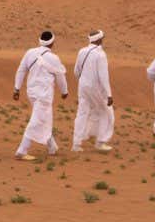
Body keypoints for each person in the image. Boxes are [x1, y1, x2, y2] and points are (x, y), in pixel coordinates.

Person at [13, 31, 69, 161]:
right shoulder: (53, 58)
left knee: (43, 118)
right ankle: (22, 150)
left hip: (31, 92)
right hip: (44, 94)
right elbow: (60, 75)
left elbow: (21, 70)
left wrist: (16, 88)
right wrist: (64, 91)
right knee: (37, 120)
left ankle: (52, 147)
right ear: (52, 43)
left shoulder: (30, 52)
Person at [72, 30, 115, 152]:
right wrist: (109, 94)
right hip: (95, 88)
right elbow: (103, 76)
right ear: (99, 40)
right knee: (106, 112)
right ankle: (100, 142)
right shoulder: (100, 54)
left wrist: (83, 81)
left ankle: (76, 144)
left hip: (82, 86)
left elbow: (76, 71)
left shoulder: (82, 51)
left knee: (82, 113)